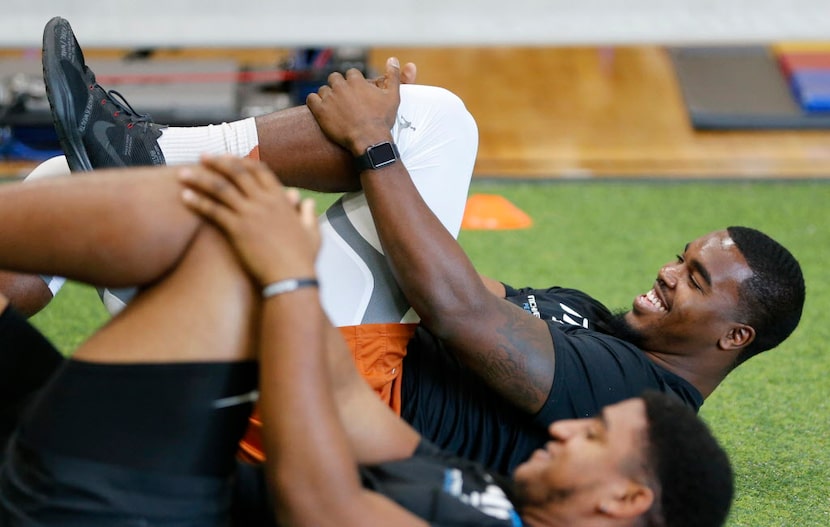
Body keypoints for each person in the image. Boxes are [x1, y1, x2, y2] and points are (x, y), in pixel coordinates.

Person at [4, 16, 806, 476]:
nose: (669, 271)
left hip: (332, 394)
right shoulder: (592, 323)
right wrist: (387, 148)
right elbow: (456, 278)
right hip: (329, 351)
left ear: (734, 336)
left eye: (695, 279)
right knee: (63, 190)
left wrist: (382, 145)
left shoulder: (649, 403)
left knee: (438, 124)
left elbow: (455, 312)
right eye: (681, 255)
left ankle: (147, 148)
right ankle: (124, 170)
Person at [0, 155, 734, 527]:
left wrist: (286, 279)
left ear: (627, 496)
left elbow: (318, 502)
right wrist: (283, 256)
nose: (569, 425)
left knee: (210, 234)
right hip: (150, 472)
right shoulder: (487, 497)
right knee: (242, 225)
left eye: (595, 432)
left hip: (123, 502)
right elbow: (349, 402)